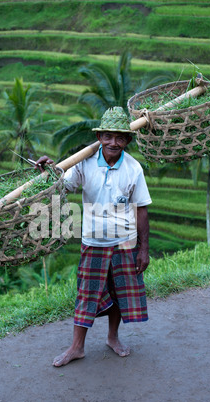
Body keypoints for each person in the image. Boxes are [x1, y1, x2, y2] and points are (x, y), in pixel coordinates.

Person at [36, 107, 152, 367]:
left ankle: (113, 337)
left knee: (120, 292)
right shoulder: (83, 163)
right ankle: (77, 347)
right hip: (93, 241)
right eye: (108, 136)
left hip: (125, 242)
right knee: (87, 294)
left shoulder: (134, 169)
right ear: (99, 137)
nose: (114, 143)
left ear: (128, 140)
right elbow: (61, 186)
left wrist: (144, 249)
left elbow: (141, 210)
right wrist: (47, 172)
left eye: (120, 138)